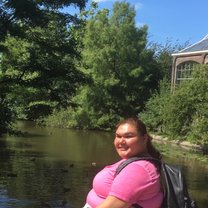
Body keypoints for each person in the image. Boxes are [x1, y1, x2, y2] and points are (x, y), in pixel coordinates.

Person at [83, 117, 163, 208]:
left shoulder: (138, 169)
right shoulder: (135, 159)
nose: (121, 141)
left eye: (128, 136)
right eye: (118, 136)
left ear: (144, 139)